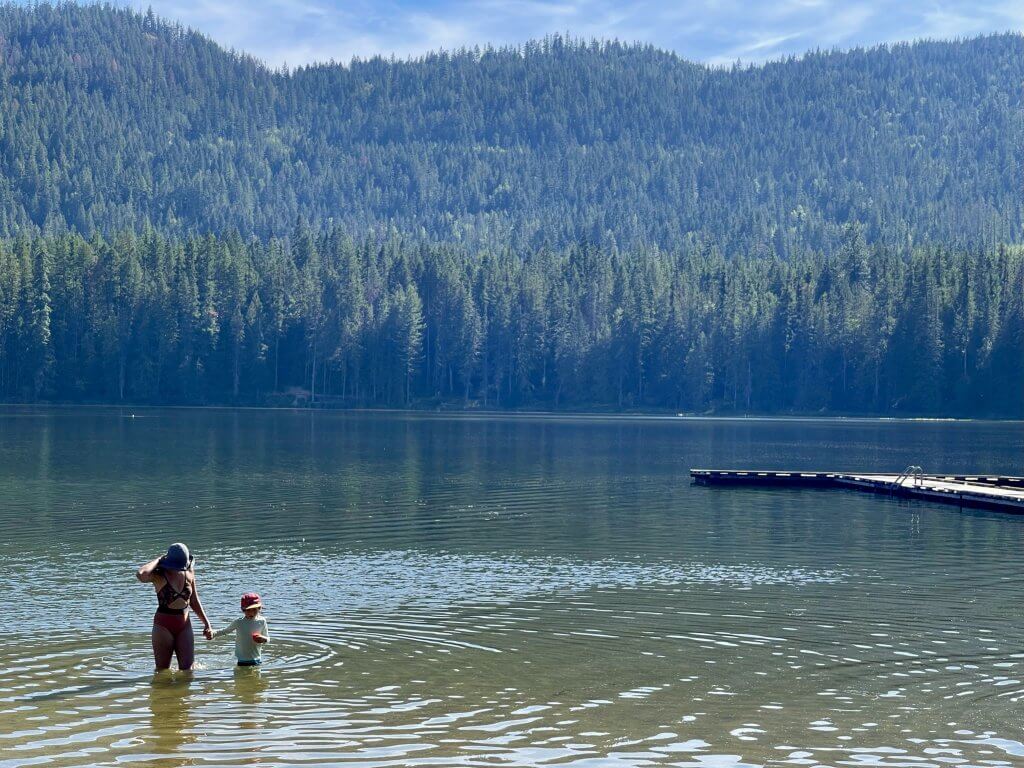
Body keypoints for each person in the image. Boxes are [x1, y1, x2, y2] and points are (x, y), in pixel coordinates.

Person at [136, 543, 213, 671]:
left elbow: (194, 600)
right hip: (163, 626)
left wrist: (207, 623)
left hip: (184, 625)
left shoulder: (189, 572)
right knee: (162, 670)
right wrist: (159, 559)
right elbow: (141, 574)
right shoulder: (159, 574)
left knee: (188, 671)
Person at [209, 593, 270, 667]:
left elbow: (267, 639)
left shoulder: (262, 621)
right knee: (240, 677)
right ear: (243, 610)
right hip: (241, 660)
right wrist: (213, 634)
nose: (251, 613)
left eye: (254, 609)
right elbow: (226, 631)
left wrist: (264, 639)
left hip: (257, 659)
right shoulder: (239, 622)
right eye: (248, 610)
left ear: (259, 608)